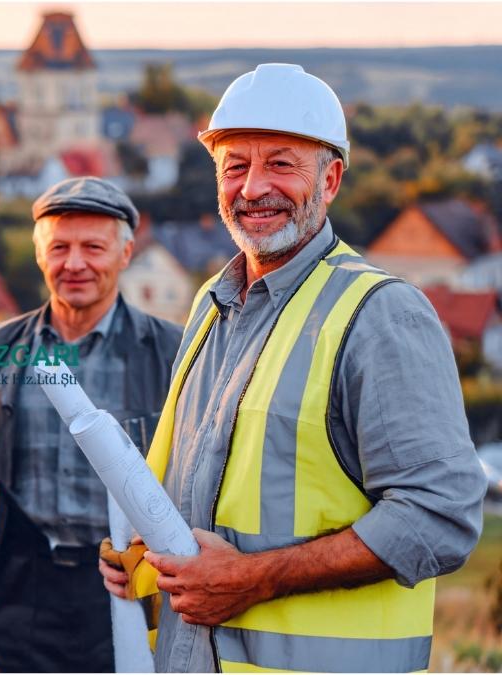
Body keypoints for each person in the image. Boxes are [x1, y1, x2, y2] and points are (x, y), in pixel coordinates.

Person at [99, 64, 487, 672]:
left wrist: (254, 579)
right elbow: (208, 499)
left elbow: (438, 516)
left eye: (281, 164)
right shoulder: (211, 304)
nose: (253, 188)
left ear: (330, 179)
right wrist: (147, 557)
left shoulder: (378, 314)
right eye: (235, 166)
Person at [0, 177, 183, 672]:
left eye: (93, 247)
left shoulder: (173, 351)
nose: (75, 263)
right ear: (40, 255)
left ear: (126, 254)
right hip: (18, 584)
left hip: (126, 581)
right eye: (59, 247)